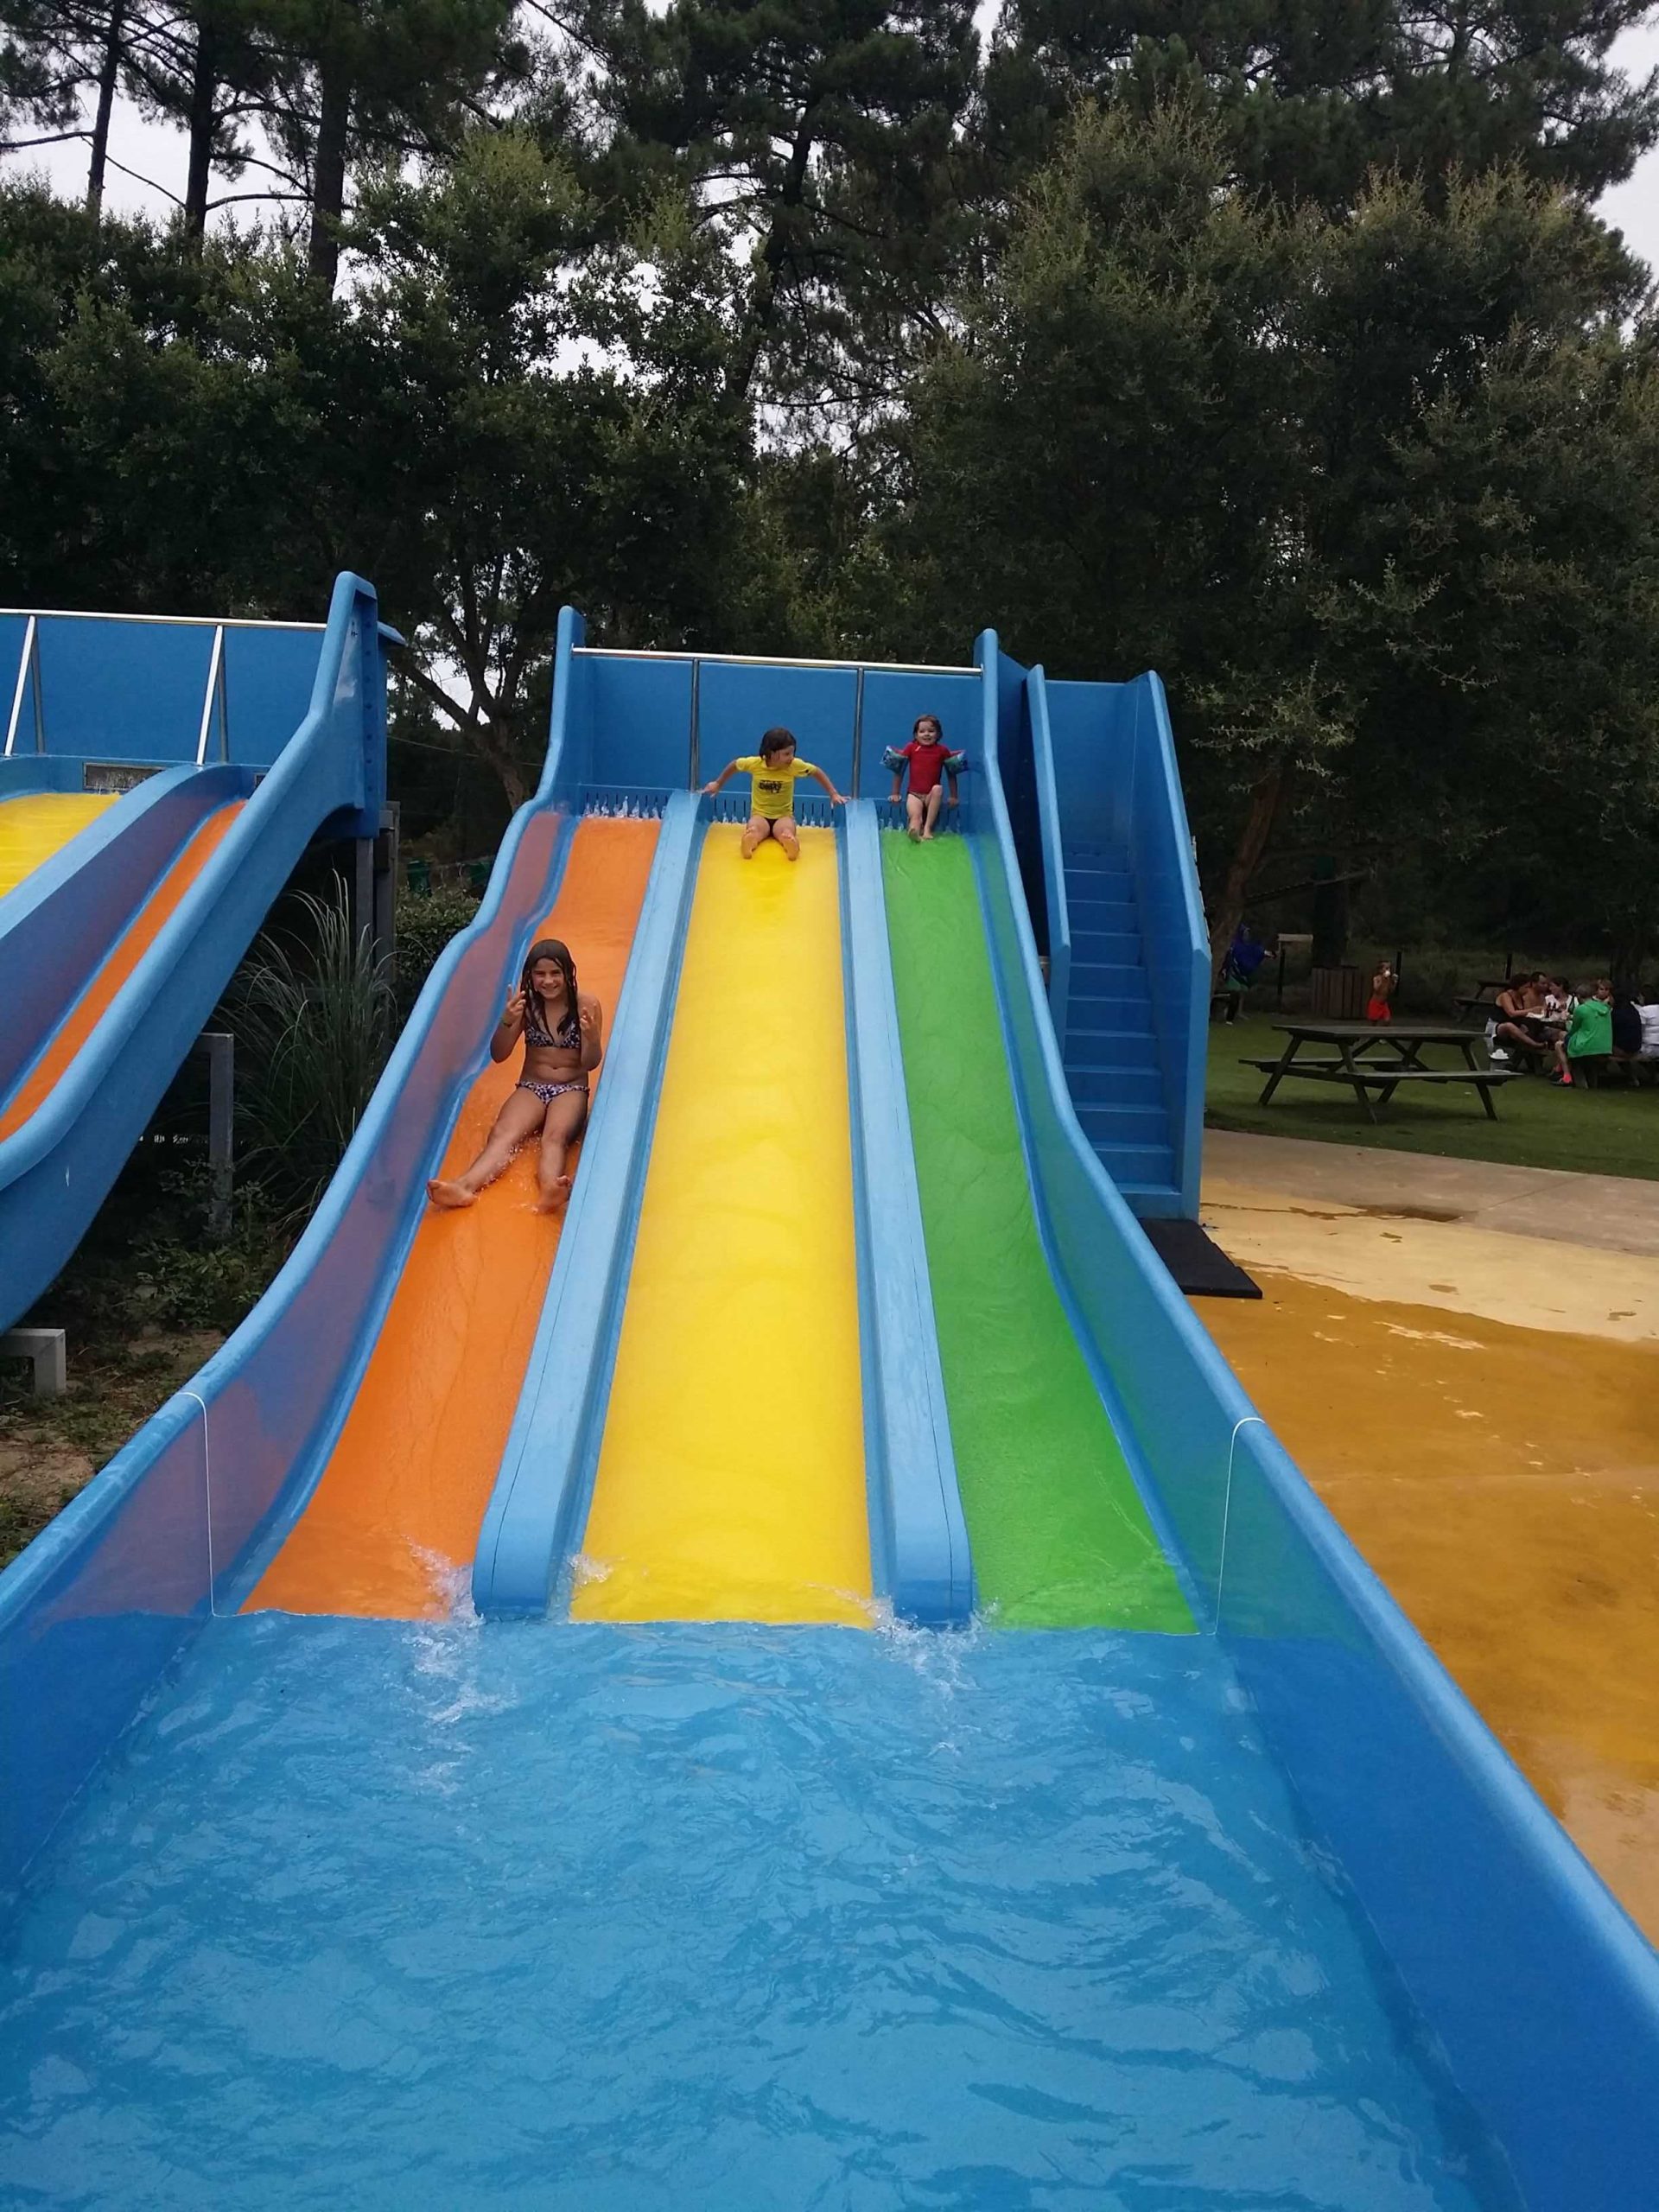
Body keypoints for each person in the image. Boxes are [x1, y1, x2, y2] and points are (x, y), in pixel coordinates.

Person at [427, 938, 603, 1211]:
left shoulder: (586, 1006)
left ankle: (550, 1188)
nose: (548, 981)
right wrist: (507, 1020)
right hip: (532, 1086)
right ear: (530, 976)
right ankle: (463, 1186)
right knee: (503, 1133)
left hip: (570, 1088)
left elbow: (591, 1063)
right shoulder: (525, 1006)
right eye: (540, 974)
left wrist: (591, 1038)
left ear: (569, 973)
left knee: (554, 1137)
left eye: (555, 973)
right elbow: (499, 1054)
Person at [702, 727, 844, 860]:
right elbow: (735, 765)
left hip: (783, 815)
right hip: (760, 814)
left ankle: (790, 842)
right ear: (771, 754)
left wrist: (833, 793)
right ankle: (750, 840)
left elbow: (816, 772)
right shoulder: (755, 764)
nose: (791, 757)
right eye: (787, 754)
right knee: (755, 827)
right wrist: (718, 784)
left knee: (786, 829)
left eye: (792, 753)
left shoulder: (794, 766)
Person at [887, 713, 960, 841]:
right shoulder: (911, 748)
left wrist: (954, 796)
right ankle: (914, 830)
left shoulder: (942, 751)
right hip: (914, 795)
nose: (926, 734)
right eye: (922, 731)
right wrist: (895, 793)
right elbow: (899, 770)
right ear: (916, 735)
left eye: (931, 731)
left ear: (938, 734)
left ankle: (927, 829)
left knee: (938, 789)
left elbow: (951, 774)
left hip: (931, 796)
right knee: (915, 817)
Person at [1551, 978, 1612, 1087]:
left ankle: (1566, 1076)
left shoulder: (1581, 1009)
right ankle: (1564, 1071)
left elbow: (1573, 1030)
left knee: (1559, 1045)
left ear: (1579, 996)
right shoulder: (1605, 1008)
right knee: (1567, 1041)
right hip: (1605, 1047)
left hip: (1586, 1046)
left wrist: (1567, 1023)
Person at [1367, 960, 1396, 1024]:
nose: (1388, 970)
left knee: (1387, 1021)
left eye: (1389, 968)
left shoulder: (1388, 979)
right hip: (1375, 1003)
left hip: (1383, 1004)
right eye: (1386, 968)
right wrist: (1382, 979)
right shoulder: (1377, 978)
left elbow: (1391, 990)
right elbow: (1376, 989)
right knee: (1374, 1022)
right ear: (1381, 970)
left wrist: (1394, 982)